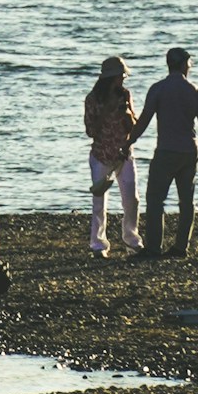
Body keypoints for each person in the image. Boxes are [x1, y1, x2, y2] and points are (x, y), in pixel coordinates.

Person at [130, 47, 198, 259]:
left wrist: (129, 141)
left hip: (166, 151)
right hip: (189, 151)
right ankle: (181, 247)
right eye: (189, 64)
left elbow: (144, 120)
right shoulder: (194, 91)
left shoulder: (158, 89)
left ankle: (154, 247)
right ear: (183, 65)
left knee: (155, 200)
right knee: (186, 201)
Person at [83, 59, 141, 258]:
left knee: (132, 199)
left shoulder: (125, 95)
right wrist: (106, 111)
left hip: (124, 154)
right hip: (101, 154)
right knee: (99, 201)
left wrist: (128, 115)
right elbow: (91, 131)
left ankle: (132, 239)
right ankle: (98, 244)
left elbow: (134, 125)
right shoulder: (92, 99)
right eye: (120, 77)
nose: (122, 80)